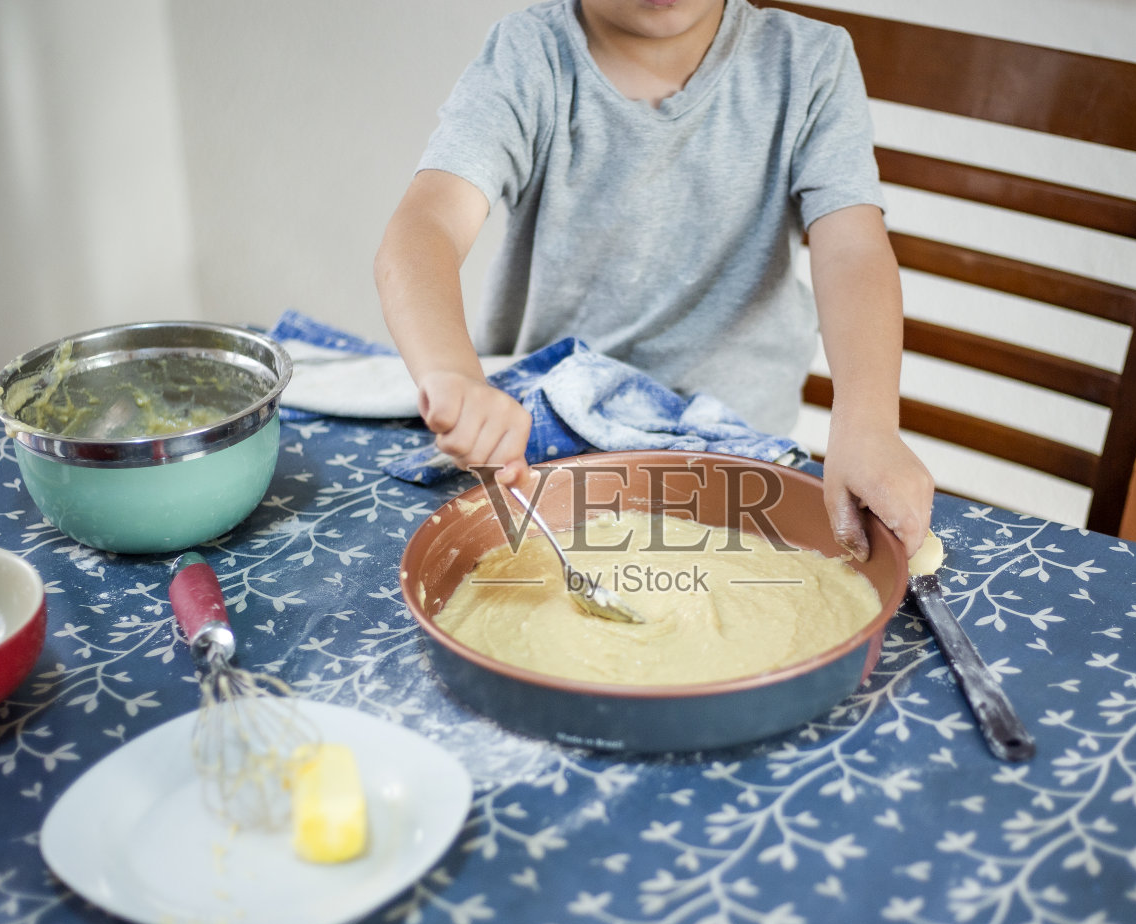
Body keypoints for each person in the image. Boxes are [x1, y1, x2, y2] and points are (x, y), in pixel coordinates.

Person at [374, 0, 933, 560]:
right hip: (551, 449)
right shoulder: (530, 56)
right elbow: (426, 227)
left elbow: (853, 248)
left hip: (735, 464)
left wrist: (868, 421)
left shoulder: (809, 61)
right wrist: (454, 377)